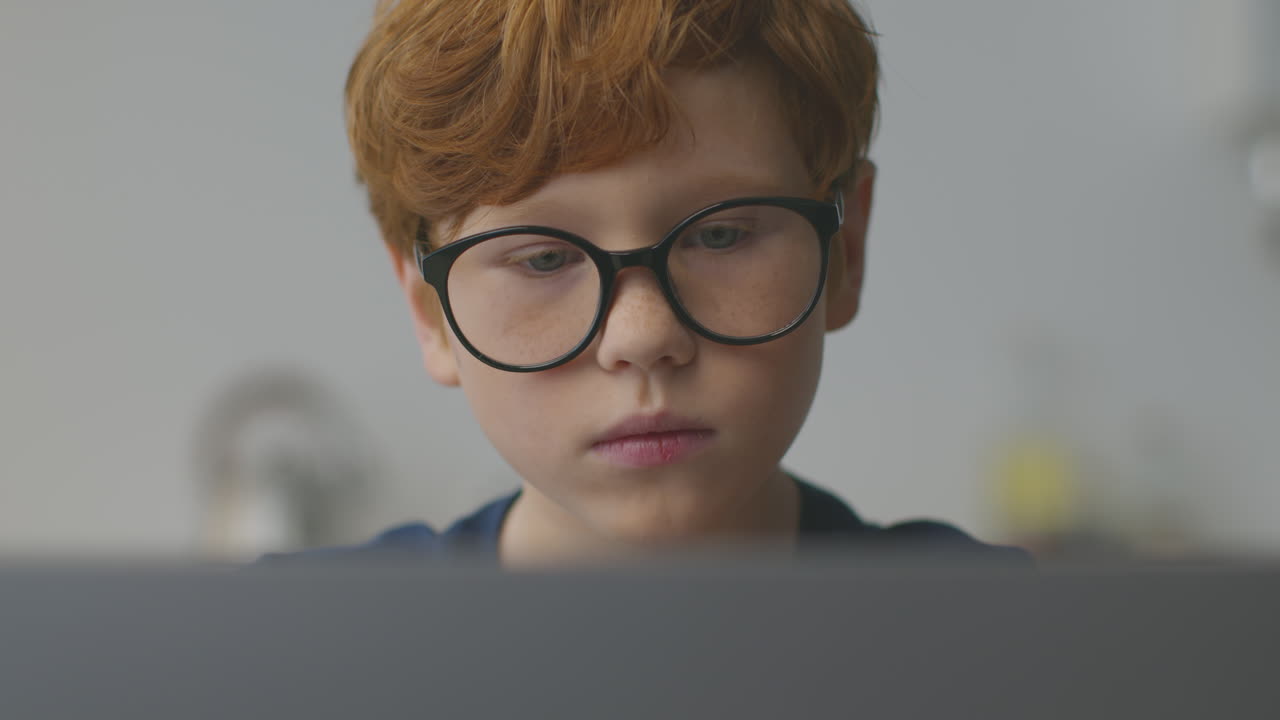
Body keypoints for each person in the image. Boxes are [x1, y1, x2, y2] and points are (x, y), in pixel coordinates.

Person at [267, 0, 1027, 566]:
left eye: (722, 234)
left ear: (845, 251)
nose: (643, 337)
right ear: (427, 310)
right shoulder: (283, 650)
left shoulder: (1022, 639)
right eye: (542, 260)